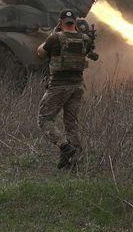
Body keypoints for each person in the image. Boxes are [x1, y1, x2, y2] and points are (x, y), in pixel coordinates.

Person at [36, 10, 99, 170]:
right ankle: (74, 162)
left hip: (58, 86)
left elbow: (40, 53)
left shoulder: (55, 38)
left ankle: (65, 147)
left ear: (60, 21)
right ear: (75, 22)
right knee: (71, 123)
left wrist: (52, 32)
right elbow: (89, 53)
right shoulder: (85, 39)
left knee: (44, 120)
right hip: (77, 86)